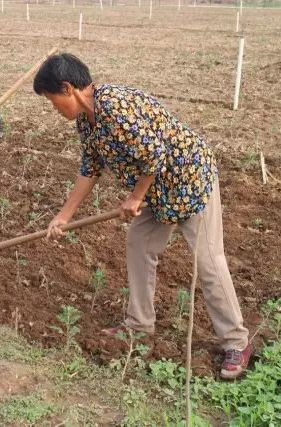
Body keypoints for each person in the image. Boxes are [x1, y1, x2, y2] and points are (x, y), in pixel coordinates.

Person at [33, 53, 253, 380]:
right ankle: (138, 325)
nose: (54, 109)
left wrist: (135, 197)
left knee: (208, 260)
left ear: (68, 88)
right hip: (159, 192)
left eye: (53, 101)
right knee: (140, 243)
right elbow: (90, 168)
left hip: (190, 181)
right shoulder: (86, 121)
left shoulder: (115, 107)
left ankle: (237, 342)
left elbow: (155, 156)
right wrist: (63, 216)